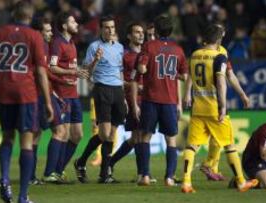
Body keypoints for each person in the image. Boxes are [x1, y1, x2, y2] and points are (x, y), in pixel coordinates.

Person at [0, 2, 53, 203]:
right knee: (26, 142)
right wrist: (48, 102)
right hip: (26, 94)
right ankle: (23, 197)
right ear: (31, 17)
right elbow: (41, 72)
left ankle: (5, 178)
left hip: (4, 91)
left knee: (7, 137)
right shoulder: (34, 36)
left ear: (14, 13)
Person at [181, 24, 258, 193]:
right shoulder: (220, 57)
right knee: (229, 145)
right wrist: (223, 106)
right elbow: (222, 83)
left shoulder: (194, 55)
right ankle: (240, 182)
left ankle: (186, 182)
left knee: (191, 147)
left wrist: (186, 95)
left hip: (197, 108)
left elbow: (190, 77)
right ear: (219, 39)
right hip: (214, 108)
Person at [133, 15, 188, 186]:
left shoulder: (149, 46)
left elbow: (142, 67)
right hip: (170, 100)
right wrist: (170, 75)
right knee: (170, 139)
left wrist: (145, 68)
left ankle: (146, 176)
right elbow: (184, 76)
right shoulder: (178, 50)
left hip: (151, 98)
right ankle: (170, 178)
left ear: (155, 30)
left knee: (145, 136)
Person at [74, 15, 126, 184]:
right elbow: (87, 72)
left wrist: (123, 94)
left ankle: (105, 174)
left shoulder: (119, 47)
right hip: (102, 89)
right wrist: (96, 59)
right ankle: (81, 162)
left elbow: (121, 71)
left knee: (111, 134)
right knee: (103, 134)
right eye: (107, 27)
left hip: (117, 90)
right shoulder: (94, 47)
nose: (110, 30)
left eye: (112, 27)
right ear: (101, 29)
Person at [30, 17, 74, 184]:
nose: (50, 34)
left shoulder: (43, 47)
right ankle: (49, 173)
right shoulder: (40, 47)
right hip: (40, 96)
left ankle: (32, 176)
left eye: (50, 31)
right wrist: (65, 79)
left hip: (44, 94)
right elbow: (43, 74)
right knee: (60, 131)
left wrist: (55, 96)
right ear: (38, 33)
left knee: (36, 135)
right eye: (47, 31)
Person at [49, 12, 88, 182]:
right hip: (62, 94)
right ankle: (53, 172)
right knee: (63, 133)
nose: (76, 23)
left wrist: (78, 72)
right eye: (73, 21)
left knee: (77, 135)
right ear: (64, 26)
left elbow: (70, 68)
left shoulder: (71, 43)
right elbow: (52, 67)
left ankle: (59, 170)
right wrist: (72, 71)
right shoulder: (58, 43)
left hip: (74, 94)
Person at [107, 21, 145, 181]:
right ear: (129, 36)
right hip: (132, 99)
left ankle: (110, 162)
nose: (141, 34)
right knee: (138, 136)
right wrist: (133, 85)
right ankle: (142, 174)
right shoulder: (124, 55)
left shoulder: (147, 53)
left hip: (148, 100)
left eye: (142, 32)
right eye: (137, 32)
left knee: (137, 138)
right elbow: (117, 79)